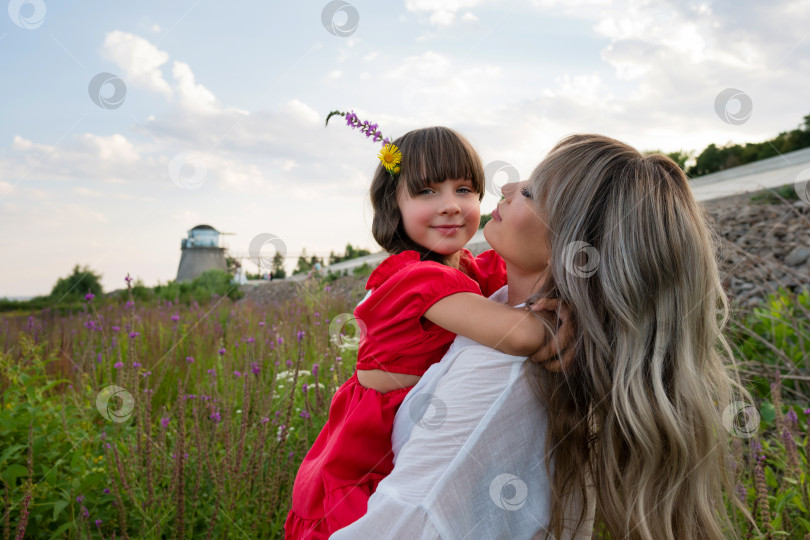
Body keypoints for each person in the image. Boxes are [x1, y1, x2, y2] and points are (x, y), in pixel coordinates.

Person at [333, 134, 749, 539]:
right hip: (355, 454)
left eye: (531, 192)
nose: (507, 187)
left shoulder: (497, 372)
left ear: (569, 245)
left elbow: (409, 518)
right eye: (426, 191)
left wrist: (555, 319)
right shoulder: (501, 303)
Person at [284, 127, 569, 539]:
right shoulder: (414, 280)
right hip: (361, 464)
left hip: (405, 443)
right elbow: (524, 334)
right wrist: (575, 319)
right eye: (427, 192)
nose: (451, 206)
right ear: (392, 206)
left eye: (465, 189)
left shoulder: (466, 266)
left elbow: (524, 271)